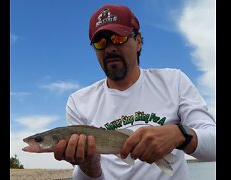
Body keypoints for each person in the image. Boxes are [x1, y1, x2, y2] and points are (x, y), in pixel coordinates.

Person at [53, 4, 216, 180]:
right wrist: (89, 167)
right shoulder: (78, 102)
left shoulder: (174, 81)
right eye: (100, 43)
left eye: (118, 38)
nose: (109, 48)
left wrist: (180, 134)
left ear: (138, 42)